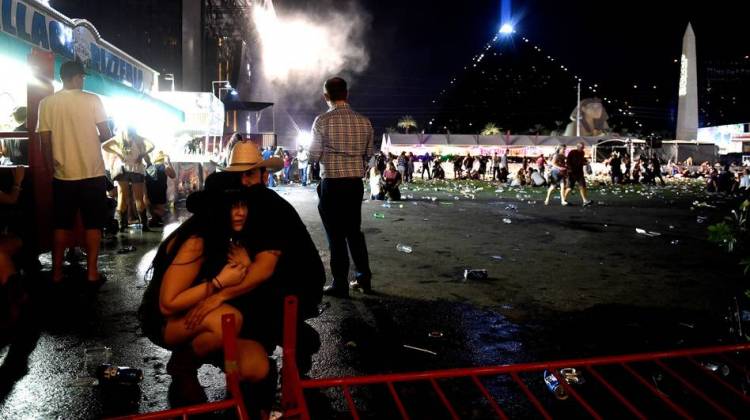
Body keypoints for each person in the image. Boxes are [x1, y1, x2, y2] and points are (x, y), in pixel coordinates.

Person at [138, 187, 269, 406]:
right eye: (232, 207)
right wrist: (219, 282)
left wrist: (246, 267)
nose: (240, 213)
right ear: (217, 210)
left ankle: (201, 360)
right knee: (229, 320)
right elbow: (167, 305)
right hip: (164, 322)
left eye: (243, 205)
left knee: (258, 366)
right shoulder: (196, 242)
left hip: (199, 318)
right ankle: (184, 366)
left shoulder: (226, 237)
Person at [37, 60, 113, 286]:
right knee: (93, 224)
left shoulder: (47, 103)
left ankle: (57, 273)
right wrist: (89, 141)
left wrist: (51, 166)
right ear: (77, 77)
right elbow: (106, 133)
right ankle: (91, 273)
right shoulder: (93, 100)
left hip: (63, 175)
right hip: (92, 172)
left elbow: (44, 140)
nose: (83, 80)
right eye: (82, 77)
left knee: (61, 224)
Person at [309, 77, 373, 297]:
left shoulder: (322, 121)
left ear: (326, 96)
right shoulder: (364, 121)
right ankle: (364, 278)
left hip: (332, 184)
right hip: (355, 184)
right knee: (354, 231)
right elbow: (369, 154)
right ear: (347, 94)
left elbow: (314, 155)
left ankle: (340, 284)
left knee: (335, 235)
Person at [102, 126, 154, 232]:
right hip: (137, 169)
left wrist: (118, 153)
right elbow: (152, 146)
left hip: (122, 169)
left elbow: (104, 146)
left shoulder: (119, 138)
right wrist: (142, 155)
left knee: (121, 197)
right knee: (139, 198)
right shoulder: (139, 139)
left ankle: (122, 225)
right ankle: (144, 225)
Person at [145, 151, 176, 228]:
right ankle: (156, 218)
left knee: (153, 209)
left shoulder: (148, 167)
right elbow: (173, 175)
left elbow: (144, 181)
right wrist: (169, 162)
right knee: (161, 212)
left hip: (149, 192)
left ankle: (154, 218)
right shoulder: (164, 167)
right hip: (160, 192)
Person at [563, 142, 592, 206]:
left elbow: (581, 161)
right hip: (572, 172)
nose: (583, 148)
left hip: (579, 172)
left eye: (583, 147)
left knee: (582, 186)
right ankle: (564, 200)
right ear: (578, 147)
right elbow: (568, 161)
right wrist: (569, 169)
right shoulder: (572, 152)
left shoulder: (582, 153)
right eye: (582, 147)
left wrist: (586, 163)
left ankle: (585, 200)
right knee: (570, 187)